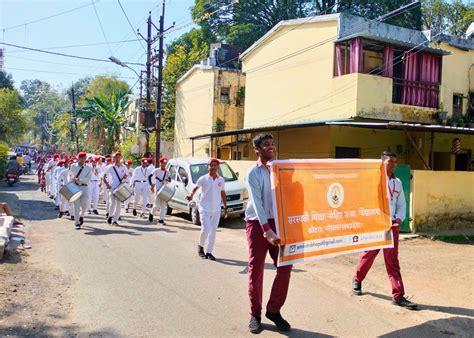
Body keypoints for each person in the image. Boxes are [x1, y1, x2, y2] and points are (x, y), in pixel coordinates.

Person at [352, 151, 417, 310]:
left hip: (391, 227)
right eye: (390, 161)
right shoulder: (373, 180)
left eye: (395, 161)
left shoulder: (398, 183)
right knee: (369, 255)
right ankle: (357, 280)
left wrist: (399, 219)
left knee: (392, 261)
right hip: (376, 225)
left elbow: (401, 203)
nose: (394, 164)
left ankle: (398, 295)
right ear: (382, 163)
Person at [245, 134, 292, 334]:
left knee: (286, 265)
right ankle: (255, 314)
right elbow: (257, 205)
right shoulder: (253, 173)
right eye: (266, 145)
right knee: (256, 269)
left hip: (278, 222)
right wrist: (267, 230)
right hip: (257, 223)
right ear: (257, 149)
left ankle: (273, 310)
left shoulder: (282, 170)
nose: (271, 147)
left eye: (273, 144)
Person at [186, 158, 228, 261]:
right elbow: (196, 187)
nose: (213, 167)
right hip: (204, 208)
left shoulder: (221, 180)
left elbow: (222, 193)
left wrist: (225, 207)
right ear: (207, 167)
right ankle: (200, 246)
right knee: (206, 229)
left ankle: (209, 252)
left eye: (215, 165)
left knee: (213, 231)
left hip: (216, 209)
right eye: (211, 165)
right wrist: (191, 194)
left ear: (218, 167)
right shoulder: (203, 179)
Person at [103, 152, 128, 226]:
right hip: (112, 187)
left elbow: (126, 176)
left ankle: (115, 220)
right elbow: (104, 177)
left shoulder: (124, 167)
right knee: (112, 204)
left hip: (120, 188)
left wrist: (125, 177)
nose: (117, 159)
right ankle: (110, 216)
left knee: (118, 205)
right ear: (113, 158)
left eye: (119, 157)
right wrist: (107, 184)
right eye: (116, 157)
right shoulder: (110, 167)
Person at [69, 152, 92, 230]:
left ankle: (82, 216)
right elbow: (70, 176)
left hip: (84, 187)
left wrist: (80, 179)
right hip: (75, 187)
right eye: (81, 158)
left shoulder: (88, 168)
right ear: (78, 158)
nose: (83, 160)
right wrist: (72, 179)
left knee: (84, 206)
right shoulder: (73, 166)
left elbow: (88, 179)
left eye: (84, 158)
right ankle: (77, 223)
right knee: (76, 206)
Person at [149, 157, 171, 224]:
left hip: (163, 189)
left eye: (165, 163)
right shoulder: (156, 170)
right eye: (162, 163)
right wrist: (151, 185)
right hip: (157, 189)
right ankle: (151, 213)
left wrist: (168, 180)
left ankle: (161, 220)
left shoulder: (167, 172)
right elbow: (149, 176)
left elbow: (170, 179)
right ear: (160, 163)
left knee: (163, 206)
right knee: (156, 205)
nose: (164, 164)